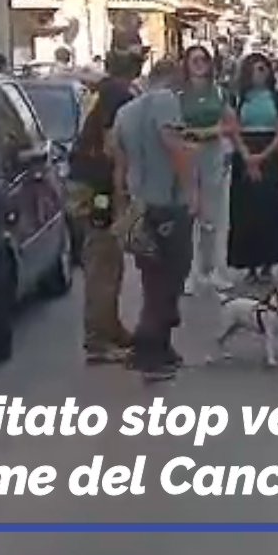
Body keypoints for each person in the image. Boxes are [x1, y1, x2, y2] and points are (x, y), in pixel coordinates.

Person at [111, 60, 198, 383]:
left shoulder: (125, 112)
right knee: (171, 277)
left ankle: (158, 346)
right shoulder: (165, 101)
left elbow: (120, 163)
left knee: (153, 279)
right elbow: (172, 144)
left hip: (140, 203)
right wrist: (191, 190)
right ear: (173, 77)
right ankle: (152, 351)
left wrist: (123, 207)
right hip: (167, 202)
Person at [67, 48, 141, 365]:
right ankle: (97, 339)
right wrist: (122, 192)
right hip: (98, 189)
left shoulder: (102, 91)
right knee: (102, 259)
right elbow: (112, 146)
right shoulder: (116, 96)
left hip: (87, 182)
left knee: (110, 259)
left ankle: (110, 328)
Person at [227, 53, 278, 285]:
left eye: (264, 69)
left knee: (270, 209)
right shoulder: (238, 98)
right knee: (247, 211)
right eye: (255, 69)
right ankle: (249, 264)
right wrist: (246, 156)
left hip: (271, 153)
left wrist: (263, 156)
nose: (260, 74)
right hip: (245, 150)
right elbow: (233, 129)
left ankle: (268, 263)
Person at [177, 45, 236, 295]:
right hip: (186, 156)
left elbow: (231, 124)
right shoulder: (178, 94)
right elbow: (170, 124)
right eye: (195, 60)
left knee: (214, 218)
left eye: (204, 60)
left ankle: (213, 271)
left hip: (213, 155)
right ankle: (189, 273)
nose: (200, 64)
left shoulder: (219, 92)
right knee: (189, 215)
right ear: (187, 64)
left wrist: (207, 132)